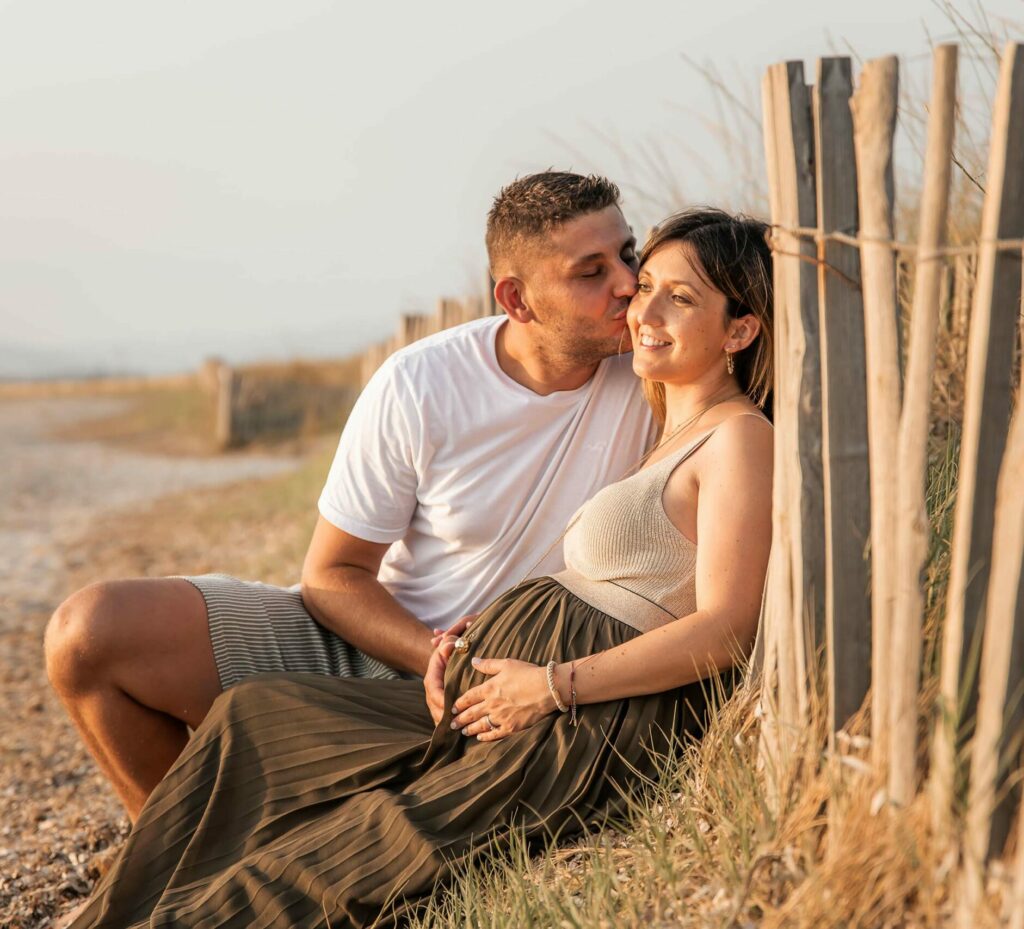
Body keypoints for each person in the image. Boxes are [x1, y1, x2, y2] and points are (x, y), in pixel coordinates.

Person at [66, 207, 775, 929]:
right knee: (238, 719)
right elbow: (332, 572)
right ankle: (134, 893)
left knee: (308, 862)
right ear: (516, 300)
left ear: (742, 329)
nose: (634, 296)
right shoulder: (441, 380)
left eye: (650, 277)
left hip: (561, 712)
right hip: (441, 664)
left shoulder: (733, 434)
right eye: (620, 275)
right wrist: (458, 659)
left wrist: (553, 686)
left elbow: (728, 624)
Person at [43, 172, 656, 821]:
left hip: (527, 684)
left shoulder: (658, 371)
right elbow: (332, 575)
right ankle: (174, 850)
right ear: (516, 298)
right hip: (383, 649)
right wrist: (441, 659)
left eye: (628, 253)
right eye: (590, 272)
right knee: (88, 633)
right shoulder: (422, 383)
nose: (627, 283)